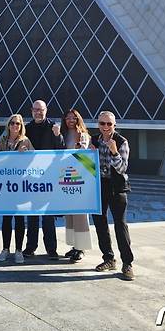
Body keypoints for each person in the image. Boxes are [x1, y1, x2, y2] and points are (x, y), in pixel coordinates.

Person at [90, 111, 135, 281]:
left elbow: (123, 168)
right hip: (99, 186)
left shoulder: (122, 142)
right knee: (100, 223)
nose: (106, 127)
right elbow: (85, 166)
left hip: (117, 187)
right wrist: (87, 154)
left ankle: (127, 263)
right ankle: (108, 258)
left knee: (120, 225)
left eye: (109, 124)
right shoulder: (94, 140)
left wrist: (114, 152)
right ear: (98, 124)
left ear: (114, 125)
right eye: (102, 123)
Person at [23, 100, 64, 260]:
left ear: (46, 110)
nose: (38, 112)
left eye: (41, 110)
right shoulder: (27, 128)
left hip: (48, 178)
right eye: (35, 110)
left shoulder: (53, 127)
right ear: (31, 111)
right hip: (31, 178)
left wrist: (57, 135)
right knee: (32, 215)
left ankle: (51, 249)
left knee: (48, 217)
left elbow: (60, 150)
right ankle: (30, 247)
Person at [0, 114, 33, 264]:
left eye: (17, 123)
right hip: (6, 185)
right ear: (8, 125)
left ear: (21, 126)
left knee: (19, 219)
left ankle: (19, 250)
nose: (14, 126)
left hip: (20, 186)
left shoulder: (25, 141)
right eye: (12, 123)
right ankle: (5, 248)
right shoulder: (2, 140)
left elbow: (35, 160)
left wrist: (27, 154)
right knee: (6, 218)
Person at [60, 109, 93, 263]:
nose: (70, 120)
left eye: (73, 118)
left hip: (79, 178)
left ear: (78, 119)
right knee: (70, 215)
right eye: (68, 118)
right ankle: (74, 246)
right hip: (66, 178)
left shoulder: (83, 135)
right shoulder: (64, 134)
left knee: (80, 215)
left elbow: (85, 154)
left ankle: (81, 248)